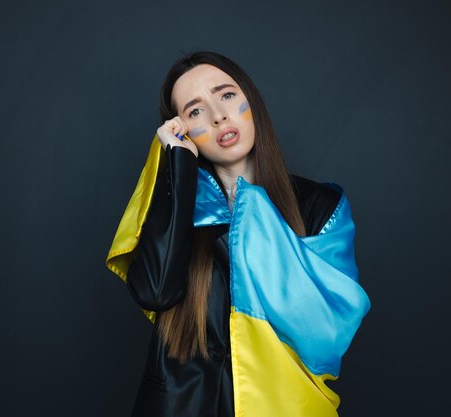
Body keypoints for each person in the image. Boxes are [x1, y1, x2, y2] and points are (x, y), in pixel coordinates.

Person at [106, 51, 371, 417]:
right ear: (180, 128)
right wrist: (180, 170)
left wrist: (245, 229)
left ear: (251, 100)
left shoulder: (320, 204)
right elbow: (155, 291)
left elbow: (328, 328)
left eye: (227, 95)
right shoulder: (175, 207)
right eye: (195, 111)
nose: (218, 116)